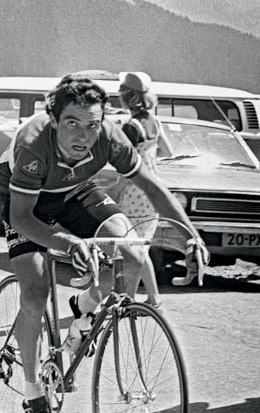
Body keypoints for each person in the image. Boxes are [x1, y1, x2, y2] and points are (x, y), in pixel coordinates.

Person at [0, 74, 206, 413]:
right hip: (26, 205)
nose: (83, 135)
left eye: (92, 125)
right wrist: (66, 243)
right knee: (35, 292)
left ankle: (85, 309)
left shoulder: (110, 136)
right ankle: (32, 391)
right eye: (72, 124)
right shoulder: (33, 143)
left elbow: (153, 187)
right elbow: (20, 217)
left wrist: (191, 237)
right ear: (54, 119)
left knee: (131, 254)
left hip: (76, 192)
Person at [116, 71, 173, 309]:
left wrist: (114, 192)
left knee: (131, 247)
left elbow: (125, 166)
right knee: (141, 246)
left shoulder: (131, 126)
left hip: (133, 190)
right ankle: (150, 297)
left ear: (126, 96)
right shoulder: (155, 121)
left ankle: (129, 296)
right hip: (153, 188)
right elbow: (168, 152)